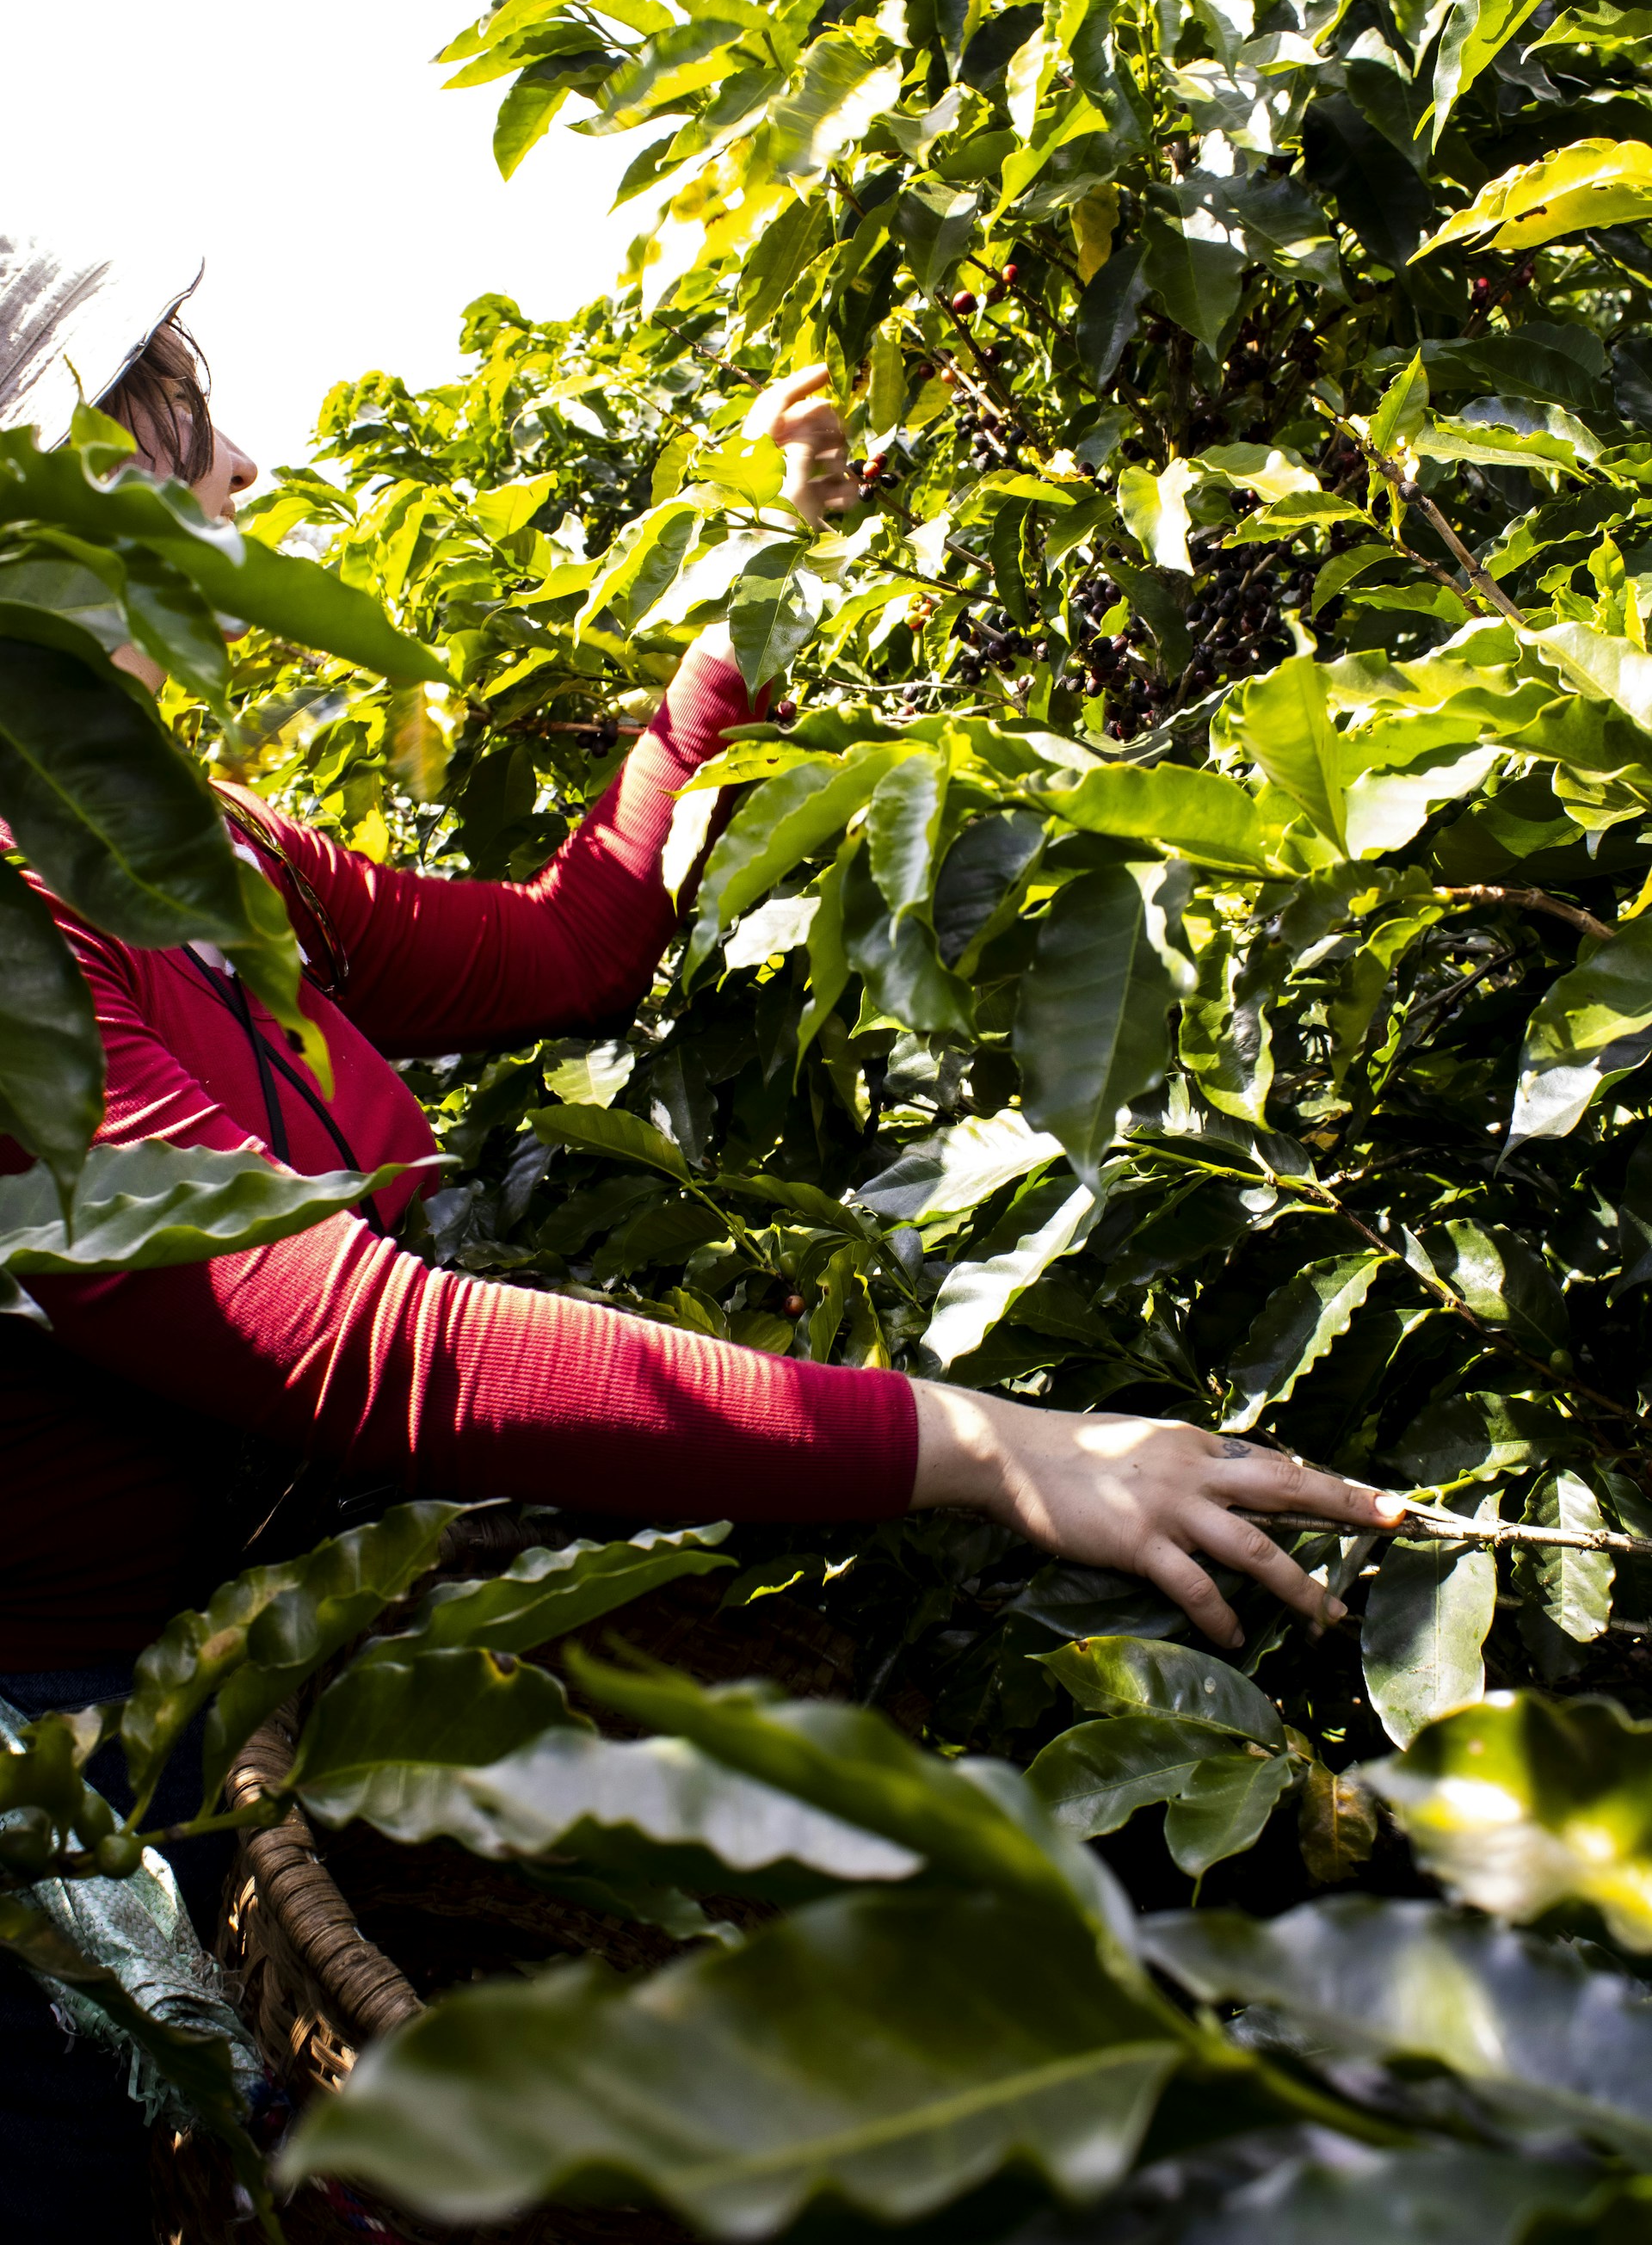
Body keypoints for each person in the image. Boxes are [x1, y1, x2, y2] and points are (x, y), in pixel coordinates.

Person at [0, 233, 1399, 2238]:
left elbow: (572, 942)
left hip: (256, 1667)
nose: (244, 481)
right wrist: (988, 1445)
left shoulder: (181, 844)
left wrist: (750, 599)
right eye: (181, 446)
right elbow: (370, 1352)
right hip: (54, 1796)